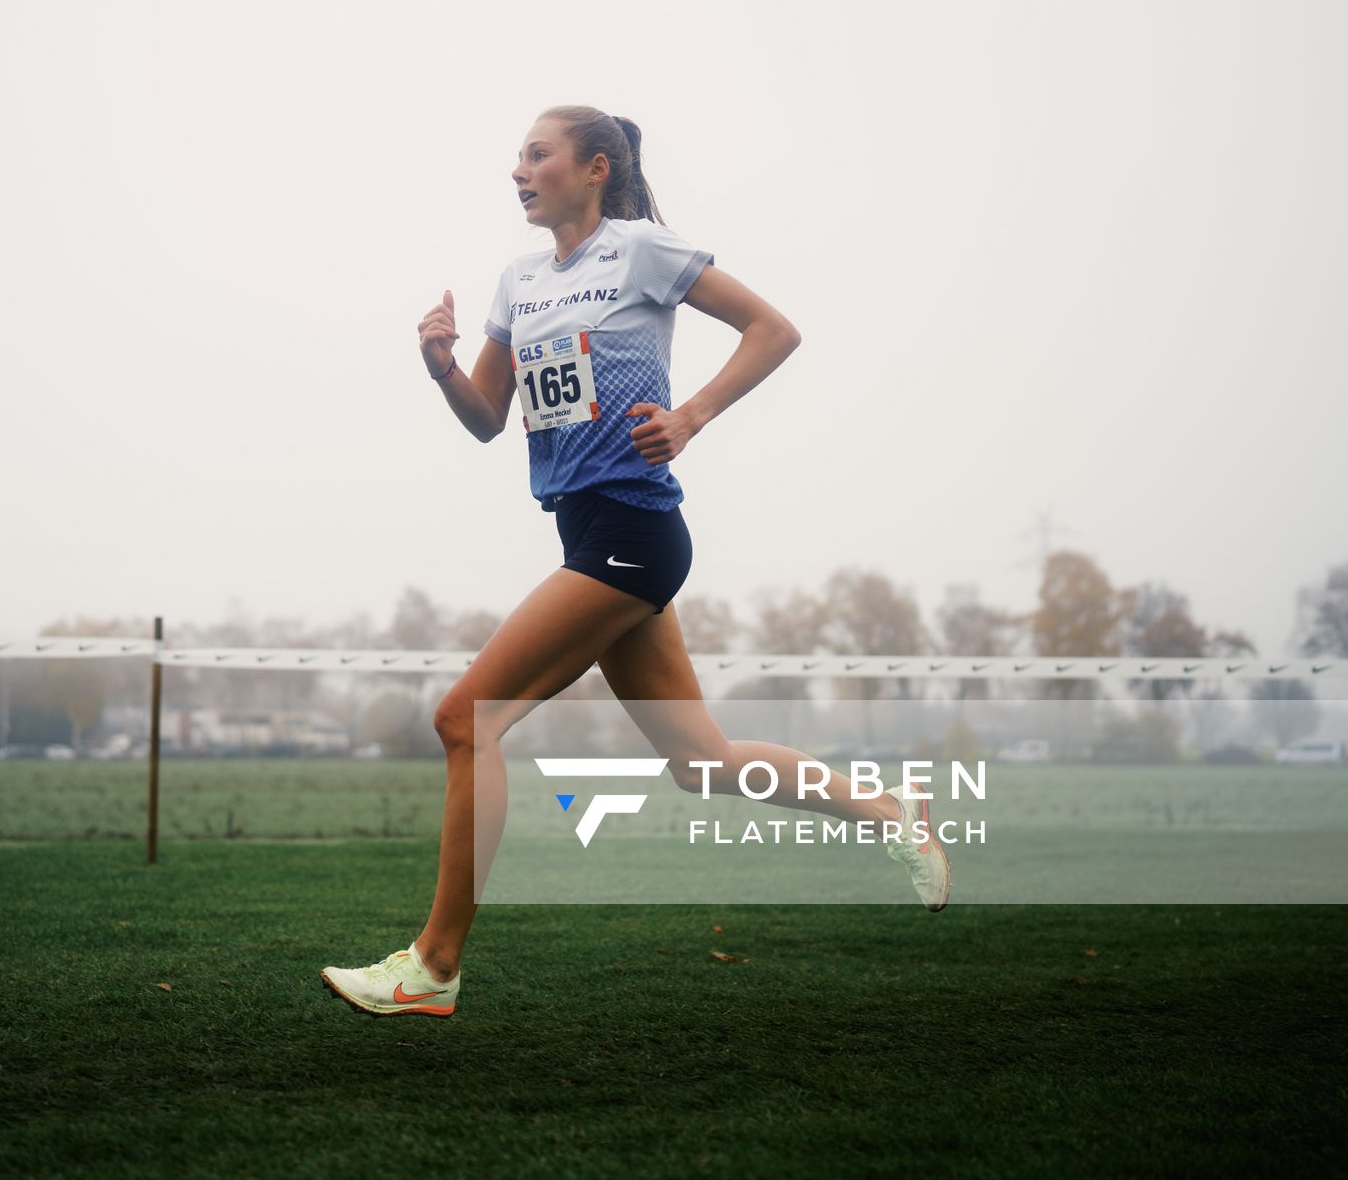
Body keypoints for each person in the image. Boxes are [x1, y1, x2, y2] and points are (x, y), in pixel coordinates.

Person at [320, 106, 950, 1018]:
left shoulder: (643, 249)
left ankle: (434, 965)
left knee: (467, 718)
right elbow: (488, 418)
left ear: (596, 168)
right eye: (517, 158)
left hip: (635, 531)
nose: (519, 171)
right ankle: (894, 815)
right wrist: (441, 367)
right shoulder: (521, 280)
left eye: (537, 155)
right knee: (701, 759)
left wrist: (689, 417)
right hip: (588, 534)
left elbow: (774, 329)